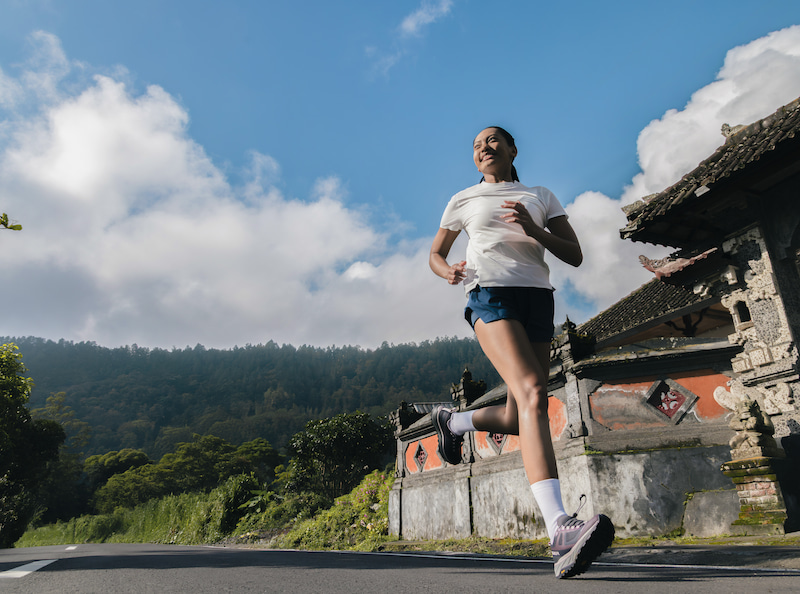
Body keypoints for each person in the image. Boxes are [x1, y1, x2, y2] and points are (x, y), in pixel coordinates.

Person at [429, 126, 614, 579]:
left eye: (493, 141)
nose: (484, 148)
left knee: (517, 413)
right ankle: (559, 527)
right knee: (533, 392)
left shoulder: (540, 195)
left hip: (537, 297)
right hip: (489, 293)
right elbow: (435, 254)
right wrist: (447, 272)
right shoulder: (463, 200)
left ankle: (453, 421)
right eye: (476, 145)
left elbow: (574, 255)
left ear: (512, 149)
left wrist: (535, 230)